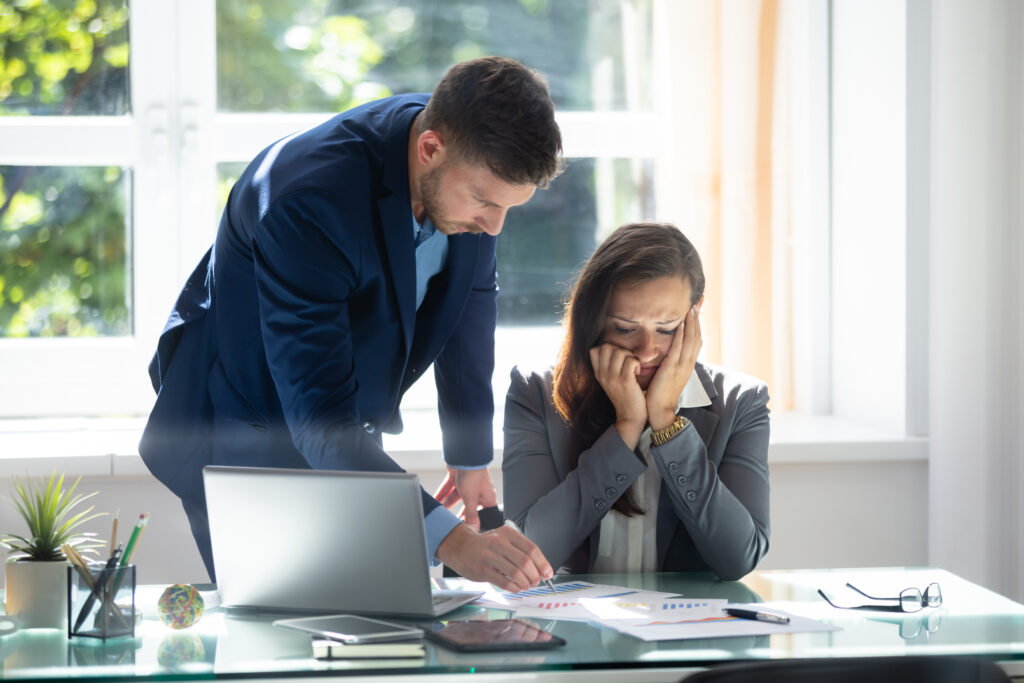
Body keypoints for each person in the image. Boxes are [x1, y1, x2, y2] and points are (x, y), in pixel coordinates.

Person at [140, 56, 562, 591]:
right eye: (484, 202)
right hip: (246, 445)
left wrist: (470, 455)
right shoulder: (308, 202)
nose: (493, 226)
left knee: (379, 639)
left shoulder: (467, 170)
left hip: (341, 441)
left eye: (509, 209)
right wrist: (452, 540)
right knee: (286, 656)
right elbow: (321, 423)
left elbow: (470, 303)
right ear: (429, 148)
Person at [502, 223, 770, 580]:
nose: (647, 351)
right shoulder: (533, 392)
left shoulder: (742, 403)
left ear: (695, 312)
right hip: (573, 626)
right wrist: (626, 426)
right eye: (625, 328)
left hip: (686, 629)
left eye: (667, 328)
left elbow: (739, 558)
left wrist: (664, 420)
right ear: (593, 320)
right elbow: (530, 550)